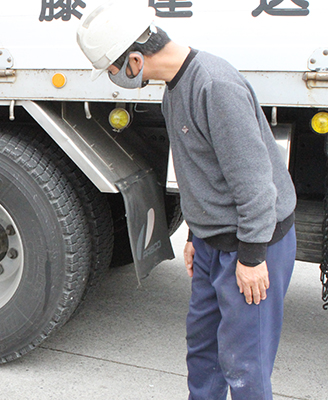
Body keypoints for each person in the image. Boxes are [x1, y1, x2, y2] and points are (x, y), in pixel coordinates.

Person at [77, 3, 297, 400]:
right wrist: (196, 234)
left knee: (245, 364)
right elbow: (203, 174)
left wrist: (251, 257)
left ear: (135, 59)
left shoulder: (215, 86)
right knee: (203, 354)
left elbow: (254, 183)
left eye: (112, 69)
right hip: (216, 243)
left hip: (252, 242)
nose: (114, 79)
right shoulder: (174, 90)